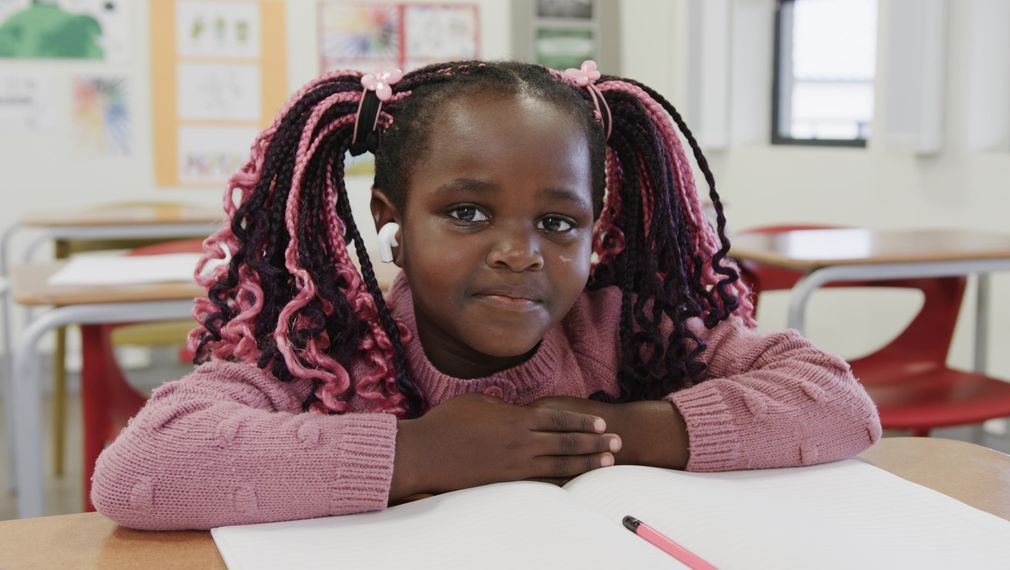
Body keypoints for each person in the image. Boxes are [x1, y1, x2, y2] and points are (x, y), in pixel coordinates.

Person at [91, 60, 881, 530]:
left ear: (596, 233)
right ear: (391, 222)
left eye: (556, 221)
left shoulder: (627, 332)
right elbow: (139, 471)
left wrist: (622, 432)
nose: (517, 252)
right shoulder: (324, 352)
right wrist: (423, 452)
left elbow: (840, 405)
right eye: (466, 212)